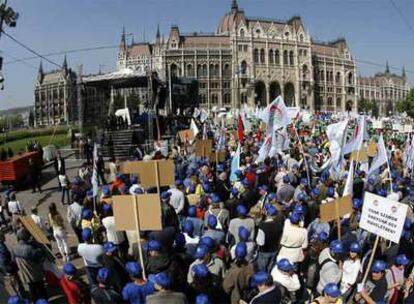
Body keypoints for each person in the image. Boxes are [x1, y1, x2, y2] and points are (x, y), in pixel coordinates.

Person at [11, 228, 46, 302]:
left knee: (32, 288)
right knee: (41, 289)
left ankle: (34, 301)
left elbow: (13, 260)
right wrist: (38, 246)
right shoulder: (29, 249)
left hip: (25, 274)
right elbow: (40, 257)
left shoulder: (14, 248)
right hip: (35, 273)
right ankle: (44, 301)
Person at [256, 204, 283, 272]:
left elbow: (260, 242)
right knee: (269, 269)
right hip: (274, 250)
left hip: (264, 251)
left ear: (267, 214)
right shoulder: (279, 225)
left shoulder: (262, 225)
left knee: (262, 269)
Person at [0, 231, 25, 297]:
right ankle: (22, 298)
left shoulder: (2, 245)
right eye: (3, 236)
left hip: (5, 269)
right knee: (17, 284)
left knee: (14, 284)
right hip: (9, 269)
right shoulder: (2, 246)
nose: (4, 237)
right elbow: (3, 260)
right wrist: (9, 268)